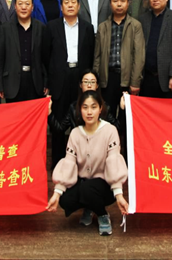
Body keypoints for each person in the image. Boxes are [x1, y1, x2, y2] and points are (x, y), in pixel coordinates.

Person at [46, 90, 129, 236]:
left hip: (105, 186)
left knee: (87, 189)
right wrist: (56, 194)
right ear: (80, 110)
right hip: (84, 183)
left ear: (100, 109)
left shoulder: (110, 131)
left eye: (93, 107)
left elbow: (113, 161)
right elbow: (69, 162)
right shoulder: (75, 133)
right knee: (65, 199)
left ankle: (102, 214)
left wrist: (119, 196)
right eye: (85, 107)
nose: (89, 112)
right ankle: (90, 206)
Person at [44, 0, 94, 166]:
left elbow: (91, 55)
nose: (70, 5)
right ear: (61, 6)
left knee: (81, 120)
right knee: (58, 122)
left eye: (74, 2)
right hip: (59, 79)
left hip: (80, 78)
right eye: (67, 2)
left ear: (79, 6)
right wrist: (48, 82)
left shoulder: (88, 28)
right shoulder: (51, 27)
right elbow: (46, 56)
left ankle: (82, 163)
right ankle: (58, 163)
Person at [93, 0, 145, 118]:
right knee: (106, 116)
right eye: (115, 1)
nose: (119, 4)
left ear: (128, 3)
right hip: (107, 78)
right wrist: (96, 81)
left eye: (122, 0)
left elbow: (139, 56)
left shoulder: (135, 25)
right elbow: (97, 57)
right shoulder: (103, 27)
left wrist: (135, 82)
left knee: (126, 117)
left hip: (127, 78)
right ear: (110, 3)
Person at [0, 0, 47, 102]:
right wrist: (0, 84)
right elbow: (0, 58)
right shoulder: (5, 28)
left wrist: (46, 82)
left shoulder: (41, 28)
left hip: (35, 81)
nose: (23, 7)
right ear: (15, 6)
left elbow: (45, 58)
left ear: (32, 7)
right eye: (20, 4)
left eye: (27, 4)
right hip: (12, 82)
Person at [48, 71, 120, 136]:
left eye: (92, 82)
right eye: (86, 82)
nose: (89, 85)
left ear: (97, 85)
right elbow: (60, 129)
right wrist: (49, 113)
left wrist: (122, 109)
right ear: (80, 85)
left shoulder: (105, 107)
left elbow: (117, 128)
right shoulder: (73, 107)